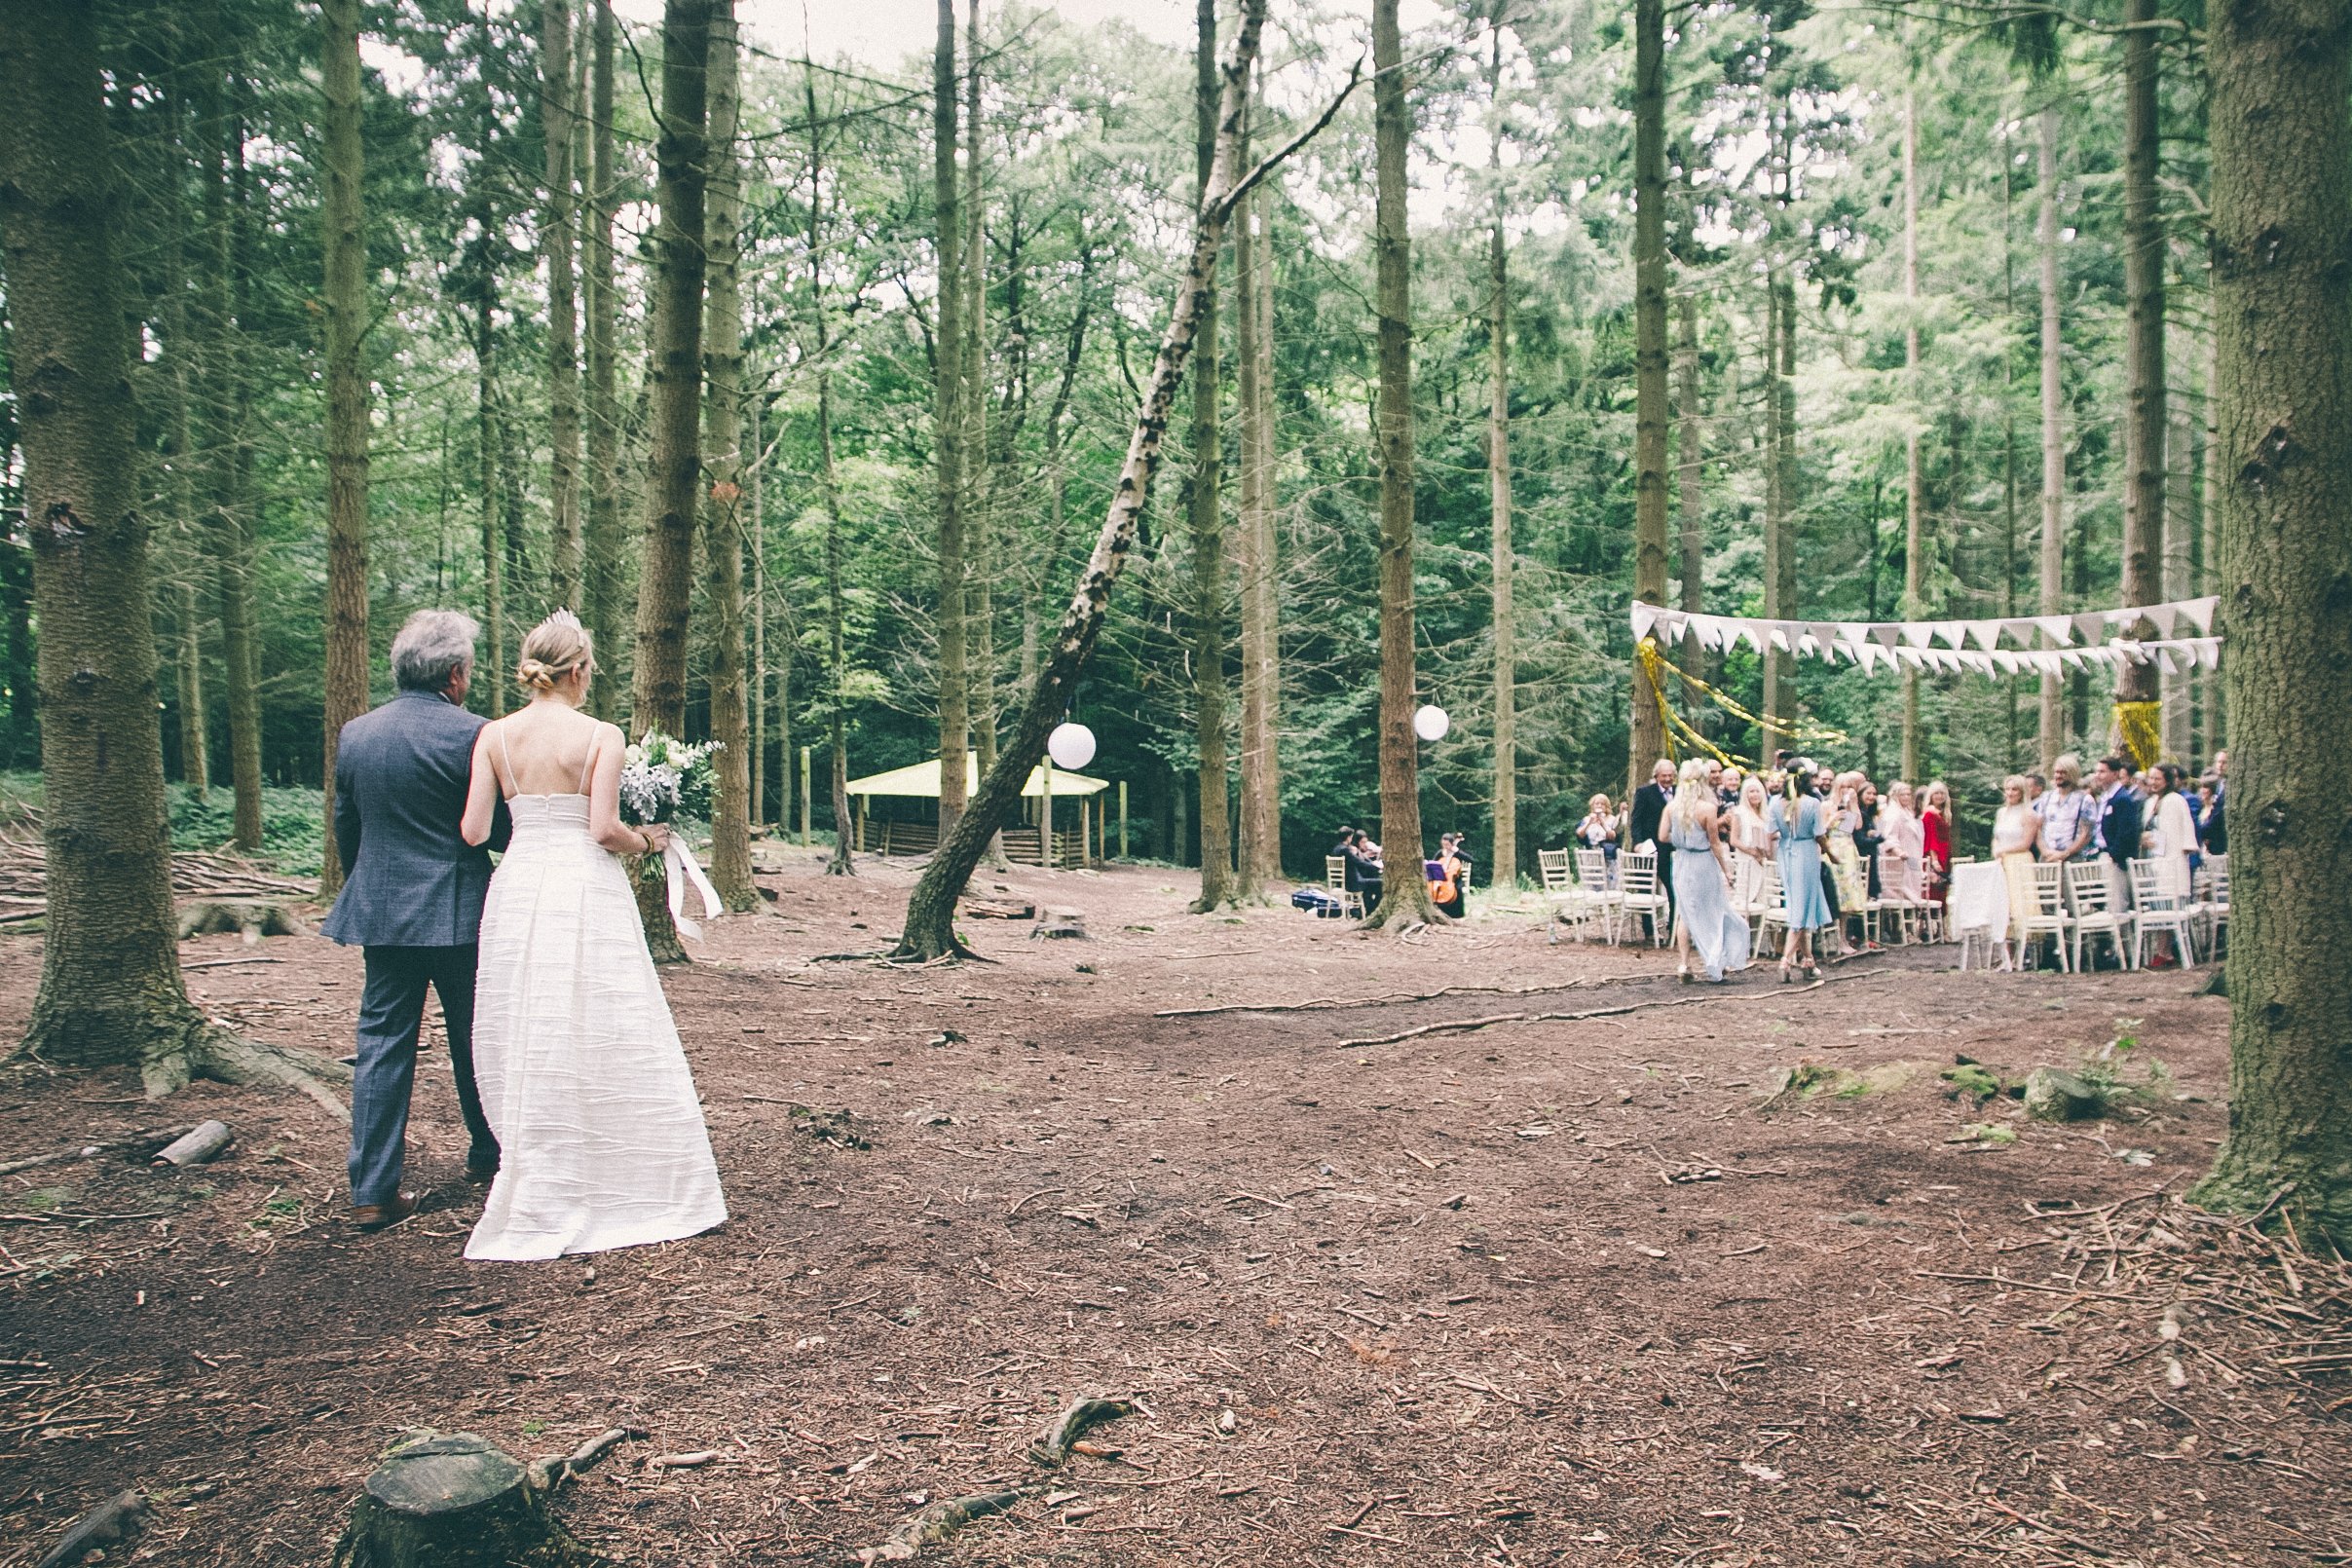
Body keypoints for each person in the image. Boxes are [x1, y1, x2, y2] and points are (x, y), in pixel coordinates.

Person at [458, 611, 727, 1260]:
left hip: (521, 885)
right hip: (584, 886)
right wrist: (648, 840)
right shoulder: (600, 734)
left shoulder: (493, 736)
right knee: (608, 1014)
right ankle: (628, 1171)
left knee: (533, 1018)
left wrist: (530, 825)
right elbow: (603, 828)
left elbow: (472, 831)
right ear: (578, 672)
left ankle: (540, 1163)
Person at [322, 611, 510, 1231]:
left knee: (380, 1045)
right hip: (461, 912)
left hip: (384, 914)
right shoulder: (477, 735)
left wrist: (368, 885)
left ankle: (372, 1190)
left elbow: (347, 824)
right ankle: (490, 1155)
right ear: (455, 674)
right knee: (473, 1037)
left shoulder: (356, 734)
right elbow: (500, 831)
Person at [1668, 759, 1750, 984]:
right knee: (1713, 909)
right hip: (1703, 862)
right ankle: (1715, 961)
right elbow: (1714, 843)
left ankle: (1684, 963)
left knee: (1685, 912)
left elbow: (1663, 837)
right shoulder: (1707, 808)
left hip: (1682, 862)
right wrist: (1727, 870)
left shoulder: (1671, 807)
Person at [1768, 763, 1831, 981]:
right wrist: (1831, 854)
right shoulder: (1812, 803)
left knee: (1798, 902)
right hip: (1805, 852)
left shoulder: (1775, 802)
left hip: (1785, 851)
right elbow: (1819, 834)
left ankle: (1808, 960)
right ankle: (1785, 960)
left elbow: (1770, 831)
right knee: (1801, 907)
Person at [2143, 763, 2196, 968]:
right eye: (2151, 778)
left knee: (2169, 902)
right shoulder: (2151, 802)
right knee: (2157, 906)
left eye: (2158, 778)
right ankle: (2161, 951)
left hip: (2171, 860)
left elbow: (2176, 833)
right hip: (2155, 859)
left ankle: (2165, 951)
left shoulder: (2176, 801)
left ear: (2167, 780)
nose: (2153, 782)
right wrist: (2144, 838)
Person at [1992, 774, 2040, 969]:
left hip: (2020, 861)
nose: (2010, 793)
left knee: (2021, 907)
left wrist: (2005, 850)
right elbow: (1997, 836)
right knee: (2004, 907)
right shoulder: (2001, 812)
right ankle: (2007, 957)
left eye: (2015, 789)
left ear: (2022, 792)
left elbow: (2026, 842)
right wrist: (1997, 850)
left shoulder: (2028, 814)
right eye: (2008, 789)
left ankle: (2025, 955)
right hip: (2002, 861)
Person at [2089, 754, 2145, 918]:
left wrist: (2114, 854)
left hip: (2115, 858)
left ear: (2115, 773)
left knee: (2118, 904)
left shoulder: (2122, 798)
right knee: (2102, 902)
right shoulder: (2105, 796)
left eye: (2102, 772)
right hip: (2101, 854)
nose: (2097, 775)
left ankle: (2123, 942)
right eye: (2096, 771)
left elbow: (2126, 830)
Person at [1627, 758, 1679, 915]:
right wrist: (1637, 842)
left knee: (1673, 887)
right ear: (1656, 776)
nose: (1667, 779)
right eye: (1664, 776)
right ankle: (1648, 930)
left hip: (1672, 848)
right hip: (1649, 847)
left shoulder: (1679, 792)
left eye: (1670, 775)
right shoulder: (1645, 792)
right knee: (1645, 887)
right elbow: (1635, 820)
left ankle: (1673, 927)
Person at [1825, 771, 1869, 953]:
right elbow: (1820, 830)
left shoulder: (1851, 806)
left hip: (1848, 850)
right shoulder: (1826, 806)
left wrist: (1853, 804)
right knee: (1832, 894)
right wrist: (1832, 818)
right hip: (1831, 849)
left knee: (1847, 898)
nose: (1846, 790)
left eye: (1849, 786)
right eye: (1843, 786)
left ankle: (1843, 940)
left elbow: (1857, 826)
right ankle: (1828, 940)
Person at [1729, 775, 1775, 915]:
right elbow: (1734, 840)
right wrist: (1753, 852)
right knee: (1746, 900)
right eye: (1751, 791)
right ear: (1745, 794)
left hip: (1766, 860)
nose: (1755, 795)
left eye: (1757, 791)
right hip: (1748, 860)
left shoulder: (1766, 814)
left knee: (1767, 902)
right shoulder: (1740, 813)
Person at [2038, 754, 2093, 864]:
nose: (2058, 776)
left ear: (2072, 774)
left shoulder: (2084, 800)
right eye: (2056, 772)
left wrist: (2065, 853)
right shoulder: (2046, 798)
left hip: (2073, 858)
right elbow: (2038, 828)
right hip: (2047, 857)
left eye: (2063, 772)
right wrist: (2045, 851)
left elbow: (2086, 834)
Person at [1879, 781, 1923, 904]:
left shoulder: (1907, 812)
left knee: (1914, 884)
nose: (1906, 797)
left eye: (1908, 794)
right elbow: (1889, 836)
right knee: (1903, 889)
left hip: (1912, 855)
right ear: (1896, 795)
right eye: (1903, 795)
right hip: (1900, 859)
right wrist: (1898, 851)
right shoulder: (1893, 813)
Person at [1921, 779, 1955, 917]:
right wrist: (1934, 860)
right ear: (1930, 795)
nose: (1939, 796)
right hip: (1935, 855)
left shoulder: (1943, 813)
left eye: (1942, 793)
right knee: (1933, 890)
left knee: (1942, 890)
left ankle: (1941, 927)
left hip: (1945, 855)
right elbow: (1931, 838)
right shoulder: (1929, 813)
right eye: (1936, 793)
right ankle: (1927, 926)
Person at [1429, 832, 1467, 919]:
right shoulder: (1440, 853)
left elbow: (1471, 859)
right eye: (1443, 844)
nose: (1445, 846)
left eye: (1447, 844)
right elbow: (1433, 863)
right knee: (1433, 889)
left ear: (1451, 843)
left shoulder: (1457, 853)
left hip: (1454, 880)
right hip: (1440, 879)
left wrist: (1459, 851)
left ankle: (1457, 915)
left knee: (1458, 889)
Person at [1343, 829, 1384, 905]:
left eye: (1366, 842)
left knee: (1372, 883)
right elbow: (1360, 863)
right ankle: (1370, 908)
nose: (1365, 844)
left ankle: (1369, 908)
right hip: (1355, 879)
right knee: (1379, 884)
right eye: (1362, 842)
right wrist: (1375, 866)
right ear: (1357, 841)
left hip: (1361, 876)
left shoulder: (1360, 851)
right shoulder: (1352, 851)